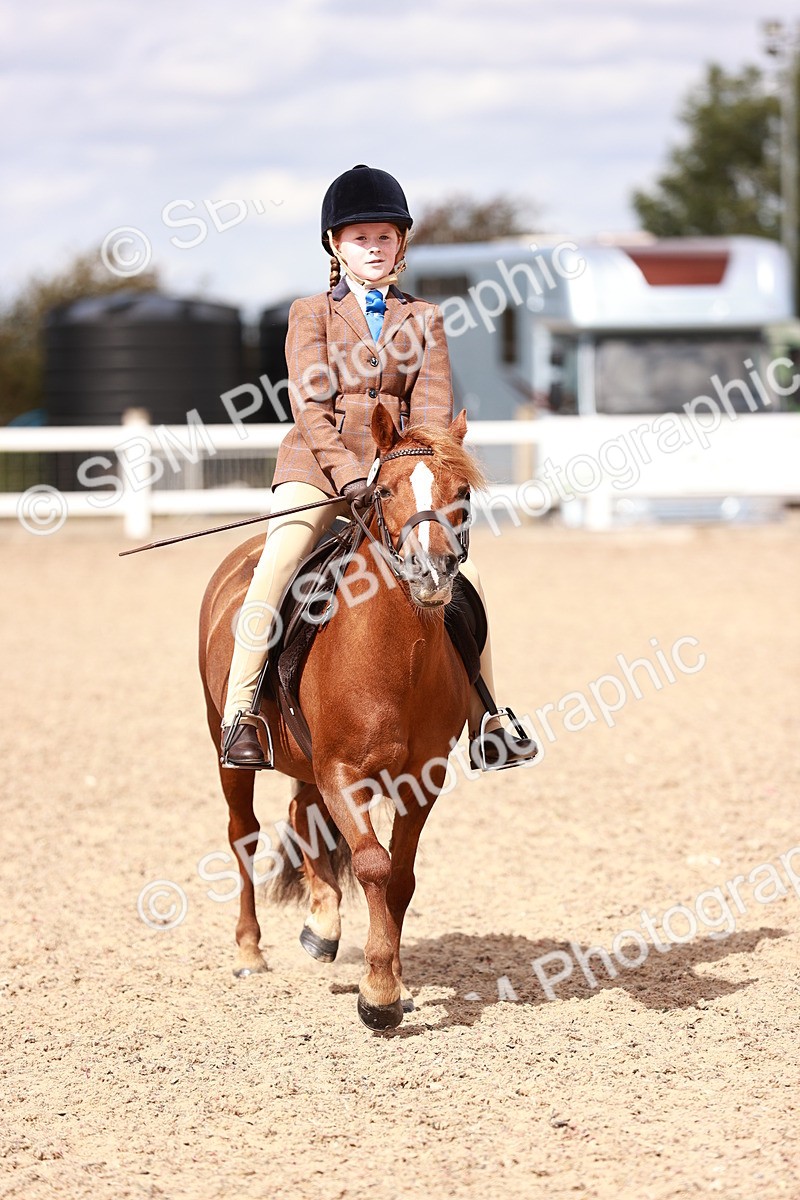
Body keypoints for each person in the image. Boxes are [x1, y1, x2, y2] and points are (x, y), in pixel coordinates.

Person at [222, 164, 537, 772]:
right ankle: (244, 716)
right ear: (336, 246)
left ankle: (488, 721)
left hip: (398, 475)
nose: (374, 247)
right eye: (361, 238)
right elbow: (310, 410)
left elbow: (431, 410)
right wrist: (349, 478)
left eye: (385, 237)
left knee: (459, 580)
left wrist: (402, 470)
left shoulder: (424, 318)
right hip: (317, 466)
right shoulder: (309, 313)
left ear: (401, 245)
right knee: (277, 566)